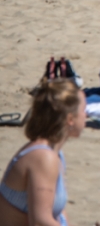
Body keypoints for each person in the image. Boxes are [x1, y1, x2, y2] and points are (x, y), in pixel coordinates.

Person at [0, 79, 86, 226]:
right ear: (70, 119)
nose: (87, 115)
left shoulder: (54, 152)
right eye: (84, 110)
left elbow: (58, 212)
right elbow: (39, 221)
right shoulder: (43, 158)